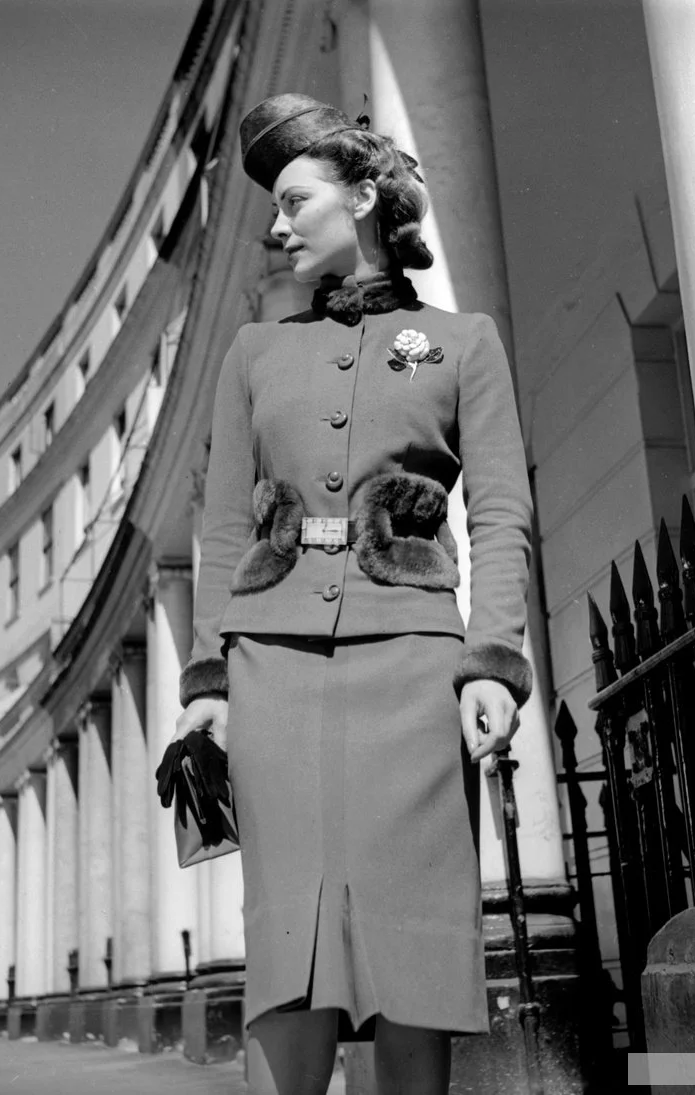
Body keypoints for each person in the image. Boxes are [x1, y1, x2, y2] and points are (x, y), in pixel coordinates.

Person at [170, 92, 534, 1095]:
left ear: (364, 197)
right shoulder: (252, 354)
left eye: (295, 202)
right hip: (272, 668)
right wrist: (208, 682)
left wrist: (493, 661)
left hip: (414, 669)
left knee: (414, 944)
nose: (278, 228)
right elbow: (223, 527)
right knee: (286, 944)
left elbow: (502, 512)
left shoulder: (463, 342)